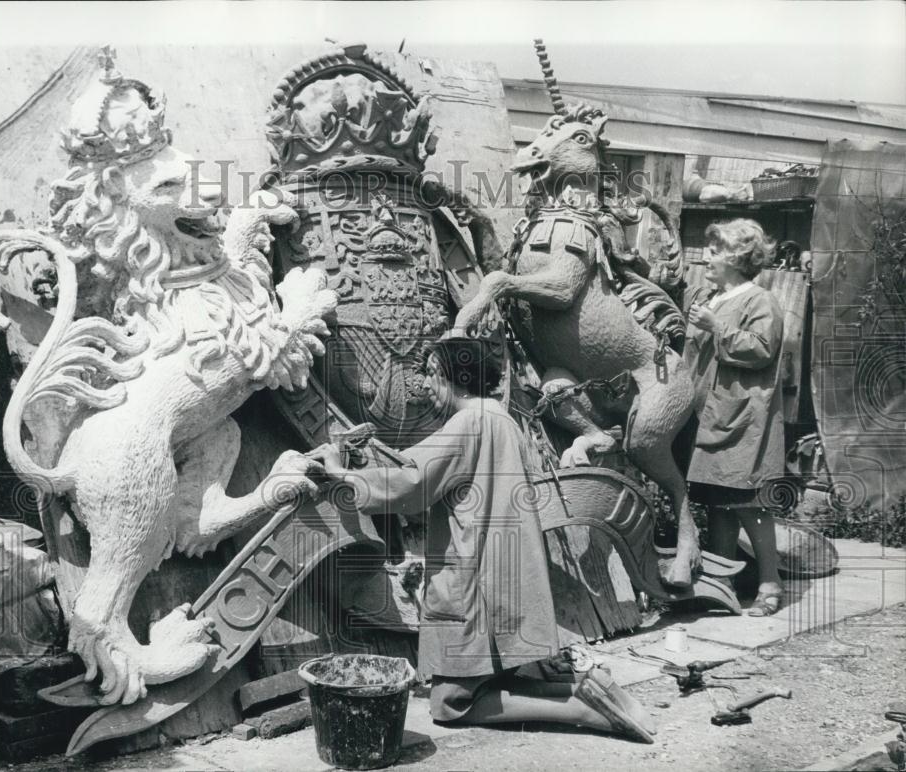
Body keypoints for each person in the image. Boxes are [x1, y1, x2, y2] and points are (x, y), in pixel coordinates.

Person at [310, 335, 655, 743]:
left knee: (451, 703)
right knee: (483, 684)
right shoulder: (503, 419)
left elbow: (412, 482)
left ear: (444, 374)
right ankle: (584, 687)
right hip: (505, 569)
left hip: (474, 575)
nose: (424, 386)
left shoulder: (467, 423)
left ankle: (580, 709)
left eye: (429, 375)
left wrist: (341, 473)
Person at [685, 219, 786, 616]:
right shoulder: (712, 298)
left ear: (736, 258)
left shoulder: (760, 301)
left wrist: (717, 327)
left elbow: (762, 349)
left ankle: (769, 582)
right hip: (710, 413)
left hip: (744, 416)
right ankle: (721, 582)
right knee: (717, 500)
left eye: (715, 251)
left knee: (749, 502)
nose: (706, 257)